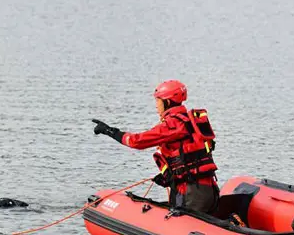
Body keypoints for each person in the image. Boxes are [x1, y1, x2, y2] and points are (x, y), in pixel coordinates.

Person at [92, 80, 219, 213]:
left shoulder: (173, 124)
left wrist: (110, 131)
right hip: (208, 188)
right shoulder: (189, 121)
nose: (156, 106)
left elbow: (137, 141)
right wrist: (169, 176)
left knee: (181, 228)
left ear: (167, 102)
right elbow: (189, 158)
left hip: (192, 193)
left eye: (158, 101)